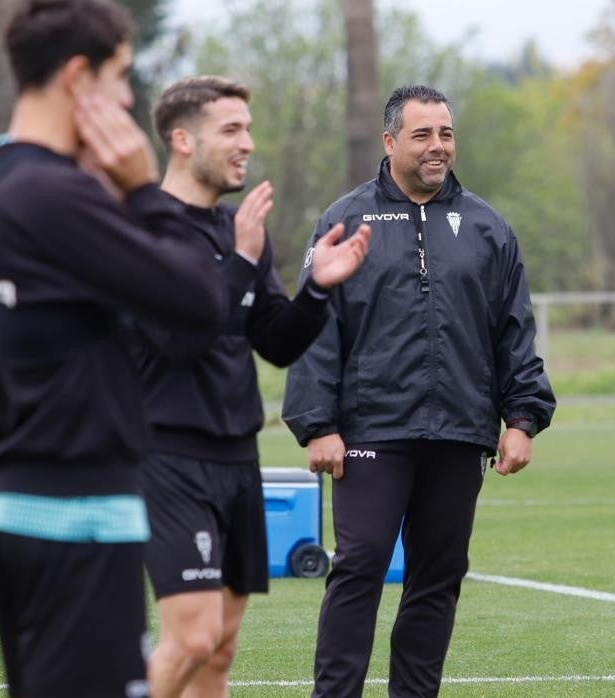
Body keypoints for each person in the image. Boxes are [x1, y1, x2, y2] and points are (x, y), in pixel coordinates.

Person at [0, 2, 227, 696]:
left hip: (13, 497)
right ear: (78, 77)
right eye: (122, 76)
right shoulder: (55, 194)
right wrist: (138, 187)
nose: (129, 98)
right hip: (79, 508)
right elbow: (200, 299)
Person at [282, 84, 557, 697]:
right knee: (359, 568)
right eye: (423, 135)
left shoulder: (488, 227)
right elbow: (315, 326)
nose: (438, 147)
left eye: (447, 134)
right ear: (390, 142)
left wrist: (523, 417)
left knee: (438, 577)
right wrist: (317, 423)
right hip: (371, 430)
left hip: (460, 431)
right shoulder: (344, 219)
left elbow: (514, 328)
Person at [138, 76, 370, 697]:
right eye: (232, 130)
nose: (248, 143)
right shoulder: (146, 226)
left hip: (236, 455)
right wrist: (240, 260)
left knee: (218, 651)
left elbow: (276, 341)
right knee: (189, 638)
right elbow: (180, 342)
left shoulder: (235, 229)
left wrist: (318, 287)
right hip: (167, 457)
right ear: (182, 140)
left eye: (248, 128)